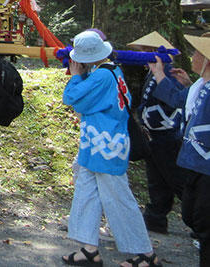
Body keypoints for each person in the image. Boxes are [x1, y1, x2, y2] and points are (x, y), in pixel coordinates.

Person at [60, 30, 161, 267]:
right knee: (86, 193)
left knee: (118, 197)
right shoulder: (110, 70)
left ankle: (144, 252)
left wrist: (75, 76)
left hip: (106, 146)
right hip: (97, 143)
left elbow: (71, 97)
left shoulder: (101, 77)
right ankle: (88, 248)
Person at [149, 33, 210, 266]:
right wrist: (159, 74)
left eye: (198, 53)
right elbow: (176, 99)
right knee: (191, 214)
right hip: (193, 160)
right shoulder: (198, 86)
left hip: (206, 163)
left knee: (204, 221)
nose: (193, 56)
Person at [127, 32, 187, 235]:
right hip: (152, 134)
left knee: (176, 178)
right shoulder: (152, 72)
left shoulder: (169, 73)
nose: (141, 54)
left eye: (144, 51)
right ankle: (156, 217)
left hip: (166, 135)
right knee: (156, 179)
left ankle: (198, 219)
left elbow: (173, 100)